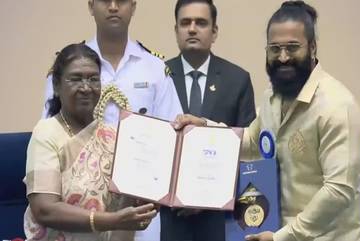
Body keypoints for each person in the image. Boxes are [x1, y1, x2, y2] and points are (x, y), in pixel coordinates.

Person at [174, 1, 360, 241]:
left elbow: (338, 192)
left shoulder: (338, 106)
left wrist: (282, 236)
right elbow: (252, 141)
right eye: (275, 49)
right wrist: (205, 126)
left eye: (292, 47)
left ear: (313, 47)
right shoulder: (273, 98)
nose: (283, 57)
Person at [42, 1, 183, 240]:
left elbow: (174, 138)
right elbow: (52, 136)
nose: (114, 7)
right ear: (91, 6)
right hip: (78, 210)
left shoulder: (155, 68)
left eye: (122, 1)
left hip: (140, 210)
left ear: (134, 6)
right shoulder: (69, 66)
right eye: (106, 0)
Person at [24, 43, 157, 241]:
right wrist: (110, 220)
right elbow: (45, 209)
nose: (86, 87)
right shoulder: (46, 133)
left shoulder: (114, 137)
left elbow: (126, 207)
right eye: (76, 79)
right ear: (57, 86)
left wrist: (145, 204)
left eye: (93, 79)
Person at [161, 1, 256, 241]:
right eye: (185, 23)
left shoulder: (238, 80)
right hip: (166, 218)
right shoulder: (158, 75)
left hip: (219, 221)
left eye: (201, 23)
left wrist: (207, 197)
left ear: (214, 32)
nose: (192, 29)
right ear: (176, 31)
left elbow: (248, 153)